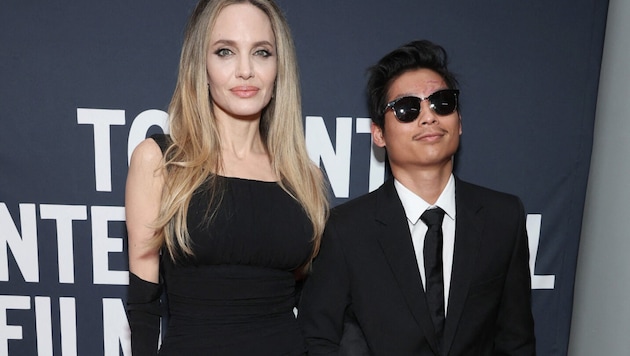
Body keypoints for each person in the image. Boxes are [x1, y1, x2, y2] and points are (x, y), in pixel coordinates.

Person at [298, 40, 536, 355]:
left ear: (459, 121)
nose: (428, 117)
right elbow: (317, 340)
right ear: (378, 134)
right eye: (407, 108)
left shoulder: (503, 218)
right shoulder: (347, 230)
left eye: (442, 103)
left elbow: (516, 341)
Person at [124, 0, 328, 354]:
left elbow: (306, 292)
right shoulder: (160, 161)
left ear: (280, 68)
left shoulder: (302, 175)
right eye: (225, 52)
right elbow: (144, 301)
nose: (245, 70)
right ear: (200, 67)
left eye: (262, 52)